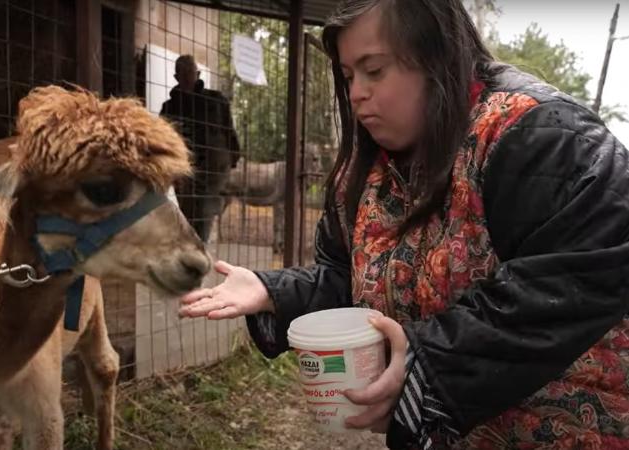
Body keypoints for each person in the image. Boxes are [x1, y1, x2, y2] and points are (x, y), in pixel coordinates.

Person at [178, 0, 629, 448]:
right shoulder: (366, 168)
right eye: (349, 75)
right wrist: (271, 291)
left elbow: (566, 288)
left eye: (374, 71)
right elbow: (346, 279)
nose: (356, 93)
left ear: (438, 57)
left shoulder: (542, 137)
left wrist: (428, 363)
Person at [160, 55, 241, 242]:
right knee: (188, 216)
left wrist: (233, 158)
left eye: (192, 72)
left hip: (213, 172)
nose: (189, 76)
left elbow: (229, 132)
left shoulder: (216, 101)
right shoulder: (170, 107)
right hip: (185, 173)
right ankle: (192, 252)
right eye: (184, 73)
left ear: (197, 74)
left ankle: (199, 251)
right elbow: (165, 141)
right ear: (176, 76)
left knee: (204, 215)